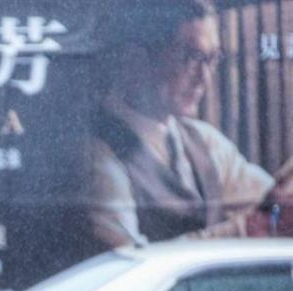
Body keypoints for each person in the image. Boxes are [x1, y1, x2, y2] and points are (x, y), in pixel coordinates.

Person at [87, 0, 293, 250]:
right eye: (191, 57)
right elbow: (125, 265)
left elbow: (268, 200)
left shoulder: (204, 140)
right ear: (136, 60)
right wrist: (245, 229)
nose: (204, 78)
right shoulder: (96, 154)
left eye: (212, 59)